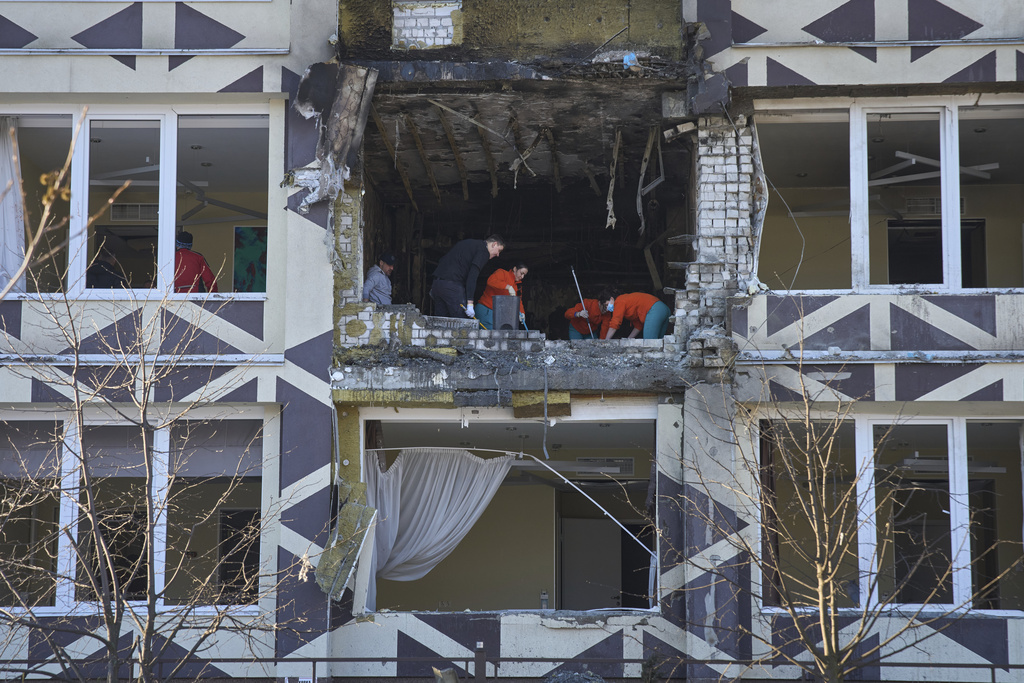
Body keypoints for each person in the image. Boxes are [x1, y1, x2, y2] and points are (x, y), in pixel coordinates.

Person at [430, 234, 504, 318]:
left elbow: (442, 260)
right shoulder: (484, 251)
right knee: (462, 324)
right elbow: (472, 276)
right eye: (499, 250)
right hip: (452, 287)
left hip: (437, 284)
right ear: (494, 244)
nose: (498, 255)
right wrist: (470, 304)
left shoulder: (466, 243)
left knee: (440, 323)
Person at [599, 288, 671, 340]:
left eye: (606, 304)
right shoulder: (628, 303)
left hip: (655, 310)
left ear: (611, 299)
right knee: (659, 342)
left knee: (650, 343)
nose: (607, 308)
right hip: (664, 309)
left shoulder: (619, 301)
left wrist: (606, 341)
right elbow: (638, 325)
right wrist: (629, 339)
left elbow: (615, 323)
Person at [476, 263, 527, 329]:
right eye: (521, 273)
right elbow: (491, 281)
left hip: (500, 315)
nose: (522, 277)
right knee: (489, 336)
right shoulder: (502, 273)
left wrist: (522, 312)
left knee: (498, 336)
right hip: (486, 310)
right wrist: (508, 287)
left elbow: (518, 301)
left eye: (524, 275)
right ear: (515, 269)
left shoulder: (518, 286)